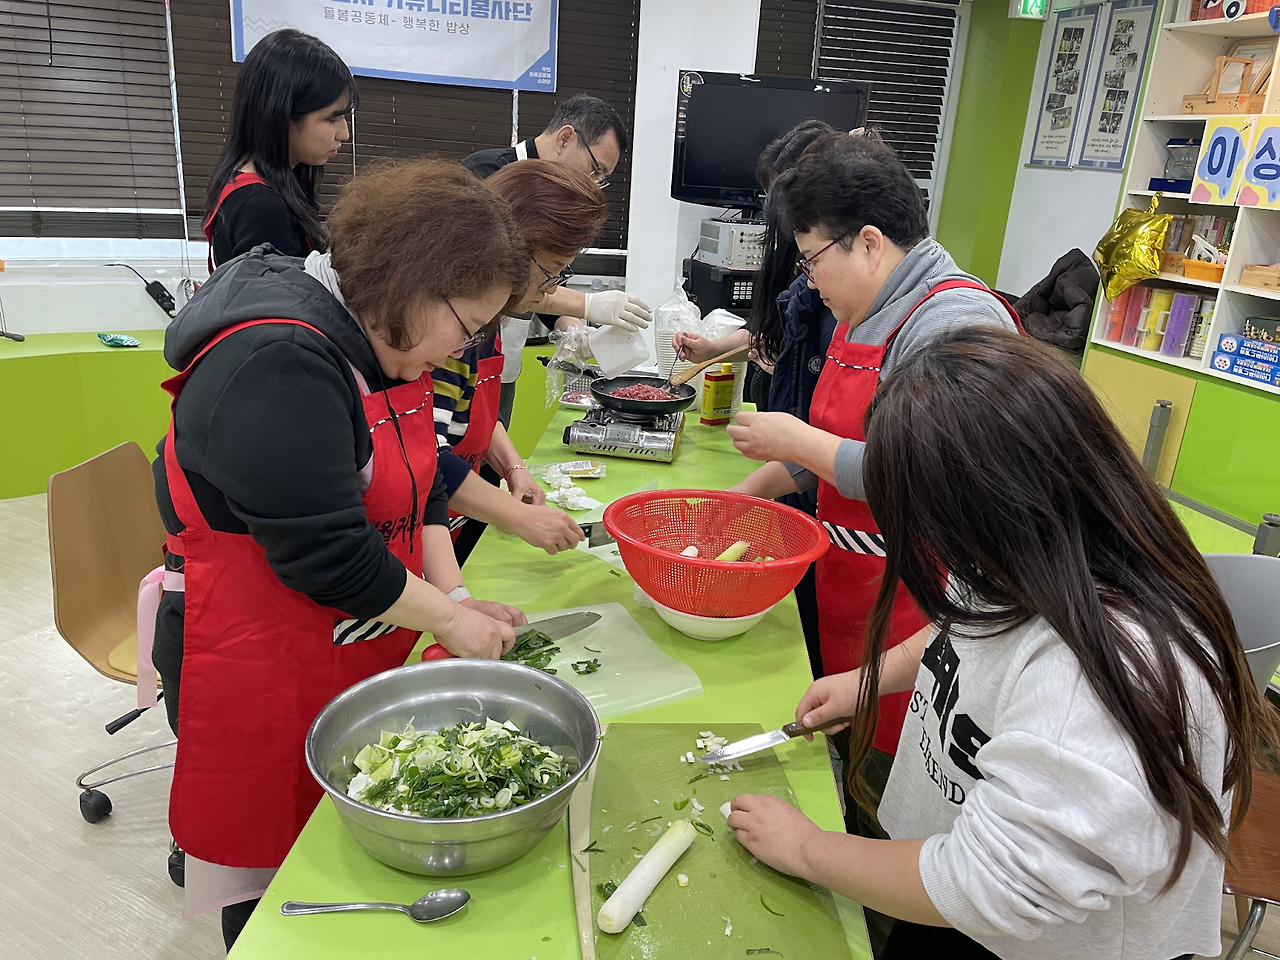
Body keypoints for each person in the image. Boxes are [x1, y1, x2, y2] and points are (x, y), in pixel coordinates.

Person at [728, 325, 1280, 960]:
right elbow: (968, 624)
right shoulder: (1025, 549)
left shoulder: (1098, 682)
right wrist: (869, 680)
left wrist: (806, 848)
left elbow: (985, 886)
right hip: (948, 887)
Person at [151, 159, 530, 951]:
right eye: (466, 326)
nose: (464, 350)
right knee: (283, 894)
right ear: (412, 284)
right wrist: (448, 622)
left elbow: (421, 482)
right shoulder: (279, 361)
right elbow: (329, 556)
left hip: (343, 650)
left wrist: (456, 601)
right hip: (257, 660)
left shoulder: (371, 337)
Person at [723, 131, 1020, 953]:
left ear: (869, 241)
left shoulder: (954, 321)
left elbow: (923, 472)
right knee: (858, 778)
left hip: (924, 608)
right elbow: (830, 450)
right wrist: (745, 496)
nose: (809, 280)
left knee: (904, 804)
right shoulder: (873, 308)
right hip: (857, 594)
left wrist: (799, 441)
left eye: (813, 259)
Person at [672, 119, 839, 675]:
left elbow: (839, 453)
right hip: (801, 475)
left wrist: (781, 462)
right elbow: (771, 330)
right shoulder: (812, 280)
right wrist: (712, 349)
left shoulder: (868, 311)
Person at [434, 159, 607, 563]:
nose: (551, 291)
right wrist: (518, 518)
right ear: (511, 249)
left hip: (452, 520)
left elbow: (479, 413)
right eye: (552, 272)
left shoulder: (490, 318)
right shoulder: (449, 328)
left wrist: (515, 469)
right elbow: (425, 455)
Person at [462, 93, 650, 428]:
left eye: (601, 178)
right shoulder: (487, 175)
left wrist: (572, 329)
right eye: (595, 169)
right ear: (565, 138)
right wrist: (586, 304)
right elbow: (495, 279)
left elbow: (543, 278)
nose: (593, 183)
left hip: (500, 367)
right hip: (456, 358)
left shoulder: (559, 199)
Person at [203, 30, 354, 272]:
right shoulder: (261, 207)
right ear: (281, 115)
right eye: (332, 119)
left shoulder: (246, 185)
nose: (344, 134)